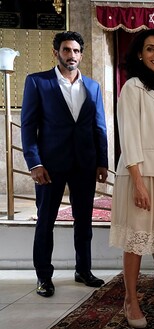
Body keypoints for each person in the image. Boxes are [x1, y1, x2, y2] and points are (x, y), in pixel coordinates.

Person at [21, 31, 108, 298]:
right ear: (56, 52)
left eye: (76, 51)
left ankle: (84, 269)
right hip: (50, 166)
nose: (72, 56)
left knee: (84, 221)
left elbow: (100, 127)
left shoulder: (92, 87)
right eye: (66, 50)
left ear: (81, 54)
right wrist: (34, 163)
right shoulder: (37, 82)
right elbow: (28, 125)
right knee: (45, 221)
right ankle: (43, 277)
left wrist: (102, 162)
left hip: (84, 164)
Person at [109, 29, 154, 328]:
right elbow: (129, 138)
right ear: (139, 54)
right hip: (139, 173)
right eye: (150, 49)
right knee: (136, 240)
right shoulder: (132, 88)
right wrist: (138, 181)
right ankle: (132, 299)